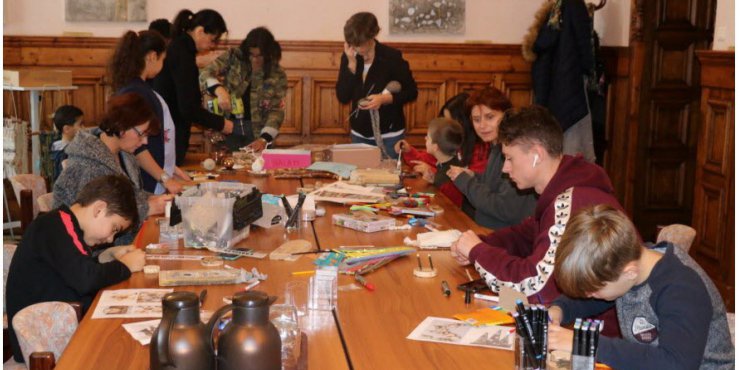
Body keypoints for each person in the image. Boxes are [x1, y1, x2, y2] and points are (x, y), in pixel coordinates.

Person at [450, 105, 623, 307]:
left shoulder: (574, 200)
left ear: (536, 155)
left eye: (509, 158)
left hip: (589, 330)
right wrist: (480, 244)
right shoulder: (560, 189)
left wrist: (478, 251)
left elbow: (535, 288)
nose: (505, 169)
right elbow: (526, 235)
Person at [548, 204, 734, 369]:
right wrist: (560, 310)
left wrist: (586, 343)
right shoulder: (627, 262)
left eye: (595, 289)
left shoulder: (682, 289)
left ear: (629, 272)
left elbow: (675, 364)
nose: (590, 295)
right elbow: (596, 299)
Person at [6, 175, 146, 363]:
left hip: (60, 328)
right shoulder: (52, 226)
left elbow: (75, 266)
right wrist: (125, 266)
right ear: (99, 209)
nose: (110, 239)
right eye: (114, 228)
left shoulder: (64, 224)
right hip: (40, 345)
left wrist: (108, 255)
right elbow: (85, 279)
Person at [53, 93, 172, 245]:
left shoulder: (124, 155)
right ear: (122, 127)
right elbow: (96, 225)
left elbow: (131, 195)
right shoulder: (88, 165)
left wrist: (152, 199)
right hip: (90, 255)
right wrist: (146, 208)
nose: (145, 141)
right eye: (142, 134)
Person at [109, 30, 191, 194]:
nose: (163, 64)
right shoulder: (137, 92)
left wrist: (170, 167)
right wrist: (164, 178)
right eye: (162, 59)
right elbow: (137, 146)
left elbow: (155, 143)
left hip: (154, 176)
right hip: (146, 181)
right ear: (152, 56)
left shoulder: (142, 89)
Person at [446, 87, 537, 229]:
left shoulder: (515, 151)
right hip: (488, 231)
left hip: (506, 237)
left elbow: (505, 208)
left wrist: (466, 182)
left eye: (490, 117)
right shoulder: (496, 147)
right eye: (476, 120)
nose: (482, 126)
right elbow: (494, 184)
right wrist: (474, 176)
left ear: (506, 115)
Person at [153, 9, 233, 165]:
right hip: (169, 132)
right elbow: (188, 107)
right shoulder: (182, 54)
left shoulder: (180, 49)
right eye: (213, 40)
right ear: (200, 31)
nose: (213, 46)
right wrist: (221, 124)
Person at [335, 11, 417, 159]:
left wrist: (384, 99)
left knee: (388, 179)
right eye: (353, 44)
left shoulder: (391, 57)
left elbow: (411, 92)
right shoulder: (349, 56)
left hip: (390, 136)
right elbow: (343, 96)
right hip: (359, 135)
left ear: (372, 36)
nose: (357, 49)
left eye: (360, 44)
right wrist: (351, 66)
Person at [200, 26, 287, 152]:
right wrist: (219, 90)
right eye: (251, 54)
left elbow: (277, 110)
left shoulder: (277, 74)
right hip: (228, 128)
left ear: (268, 54)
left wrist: (264, 139)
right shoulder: (233, 56)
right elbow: (205, 73)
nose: (254, 59)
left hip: (258, 132)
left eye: (259, 56)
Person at [409, 117, 466, 206]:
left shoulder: (447, 178)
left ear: (436, 147)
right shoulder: (449, 164)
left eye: (428, 137)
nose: (425, 138)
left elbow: (448, 208)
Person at [50, 105, 83, 181]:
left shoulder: (56, 145)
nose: (84, 128)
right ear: (67, 129)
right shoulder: (64, 153)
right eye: (80, 124)